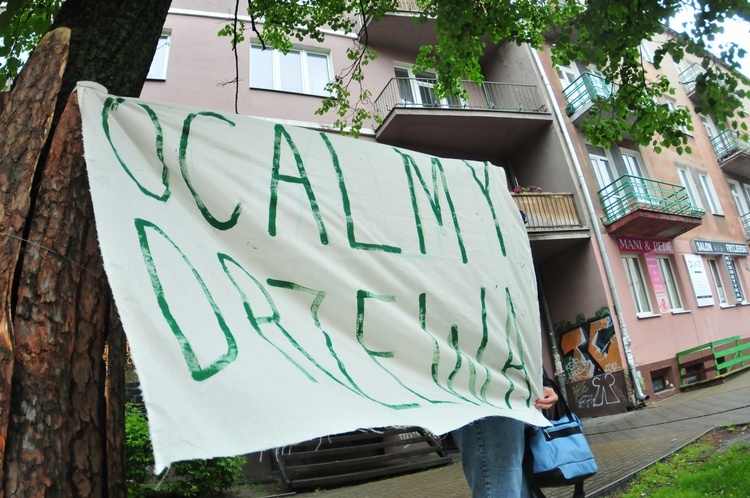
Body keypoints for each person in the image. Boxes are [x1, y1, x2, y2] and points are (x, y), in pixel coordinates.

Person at [452, 372, 559, 498]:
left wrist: (543, 382)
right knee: (501, 489)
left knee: (517, 489)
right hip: (485, 398)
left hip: (517, 398)